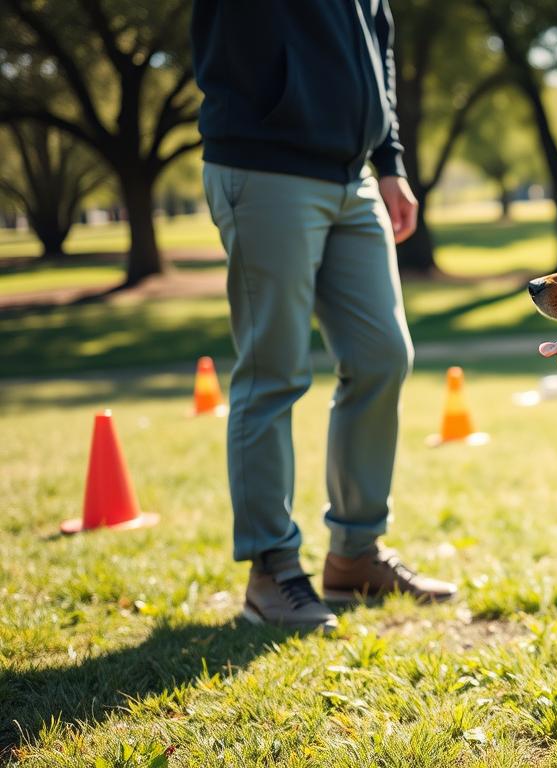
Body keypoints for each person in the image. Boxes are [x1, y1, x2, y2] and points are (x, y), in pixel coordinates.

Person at [192, 0, 456, 631]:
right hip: (263, 165)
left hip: (354, 177)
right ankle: (271, 568)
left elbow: (377, 46)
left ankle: (355, 554)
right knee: (273, 371)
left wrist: (389, 162)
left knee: (382, 357)